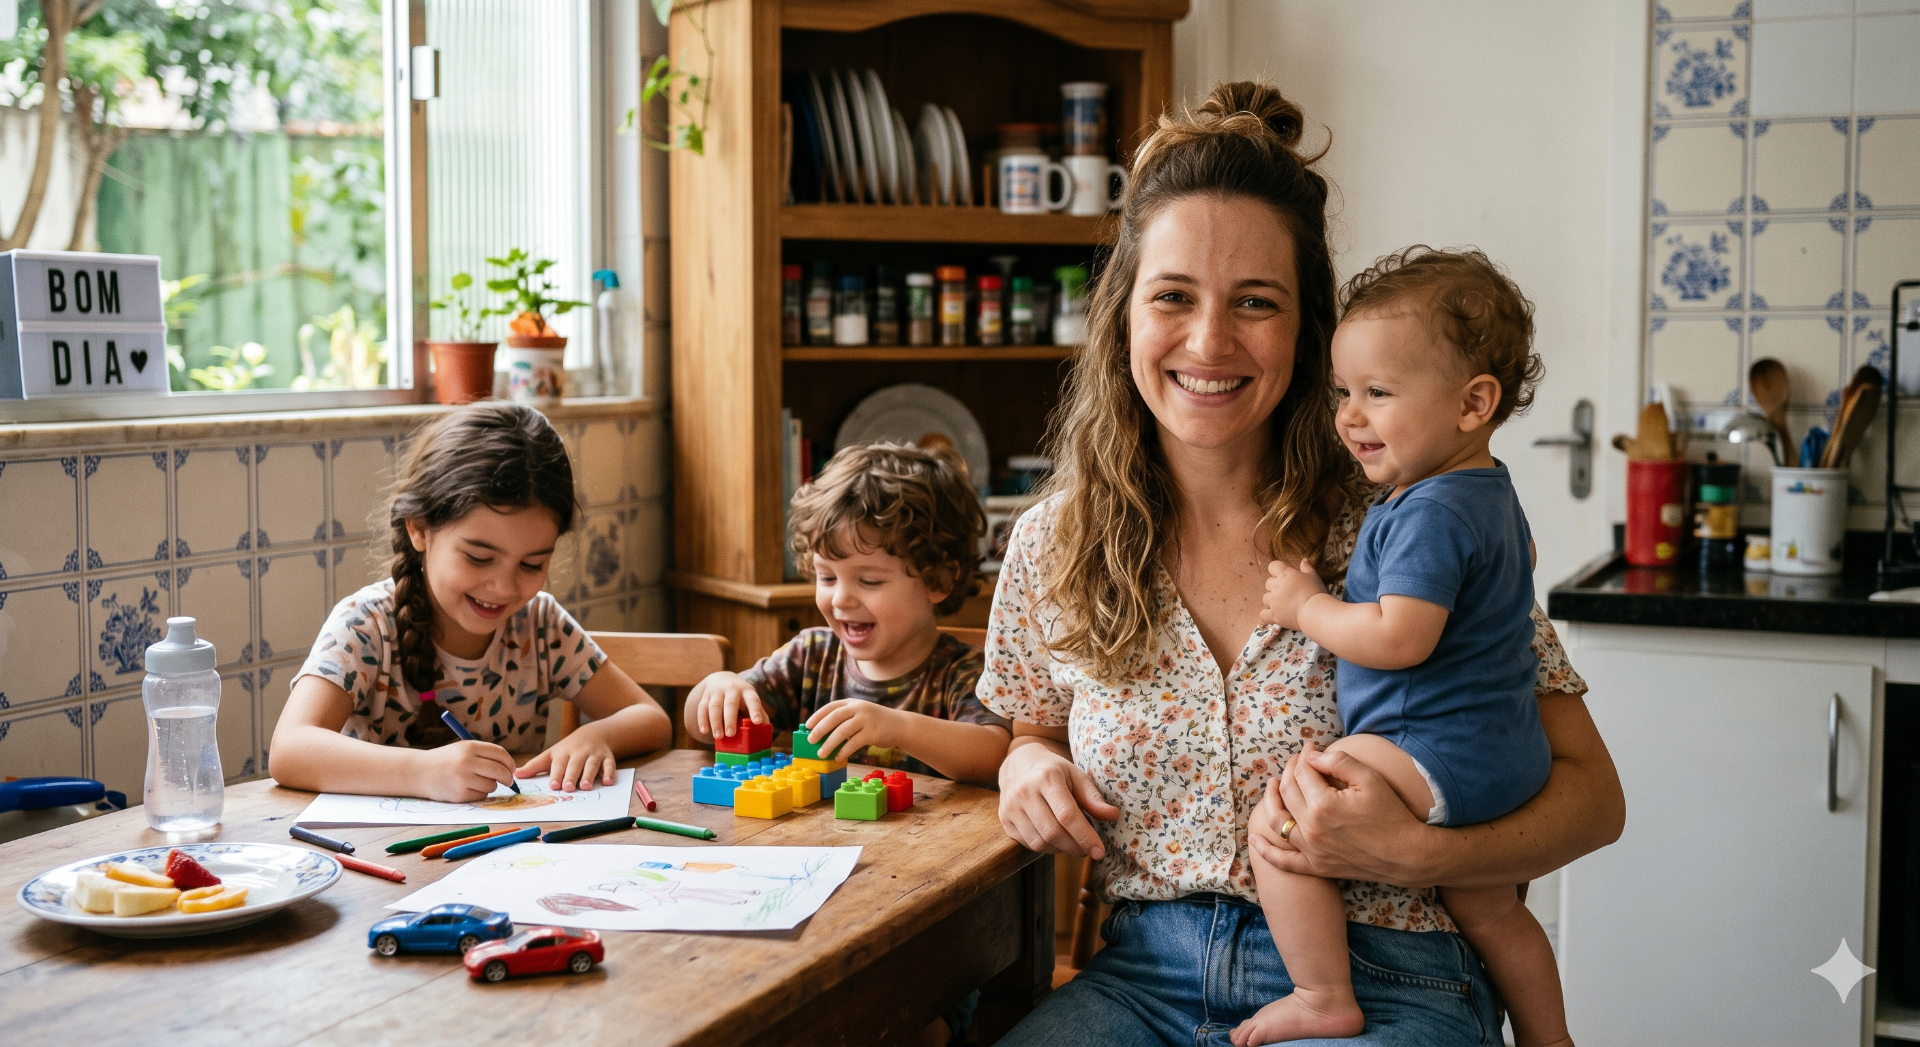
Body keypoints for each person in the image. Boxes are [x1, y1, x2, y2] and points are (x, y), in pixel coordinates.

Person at [984, 81, 1624, 1047]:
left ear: (1308, 330)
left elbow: (1594, 797)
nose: (1209, 341)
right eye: (1172, 297)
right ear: (1124, 314)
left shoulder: (1408, 522)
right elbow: (1029, 734)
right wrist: (1025, 764)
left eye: (1255, 302)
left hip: (1398, 975)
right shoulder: (1054, 545)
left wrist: (1420, 851)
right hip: (1141, 979)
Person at [1247, 248, 1565, 1046]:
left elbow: (1398, 635)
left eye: (1378, 393)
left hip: (1432, 747)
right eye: (1344, 393)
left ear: (1472, 402)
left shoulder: (1429, 510)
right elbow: (1514, 576)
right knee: (1490, 906)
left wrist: (1307, 604)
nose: (1350, 416)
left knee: (1283, 824)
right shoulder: (1491, 492)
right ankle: (1550, 1037)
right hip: (1505, 752)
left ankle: (1323, 994)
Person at [271, 402, 672, 800]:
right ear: (419, 529)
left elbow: (652, 719)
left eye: (532, 564)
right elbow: (289, 749)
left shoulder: (541, 626)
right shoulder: (366, 625)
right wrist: (421, 772)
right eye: (479, 557)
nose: (503, 587)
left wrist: (595, 735)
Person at [684, 443, 1011, 788]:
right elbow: (702, 731)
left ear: (940, 579)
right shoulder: (810, 657)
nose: (841, 598)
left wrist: (898, 728)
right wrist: (716, 688)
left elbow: (992, 757)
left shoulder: (966, 672)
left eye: (869, 580)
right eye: (826, 577)